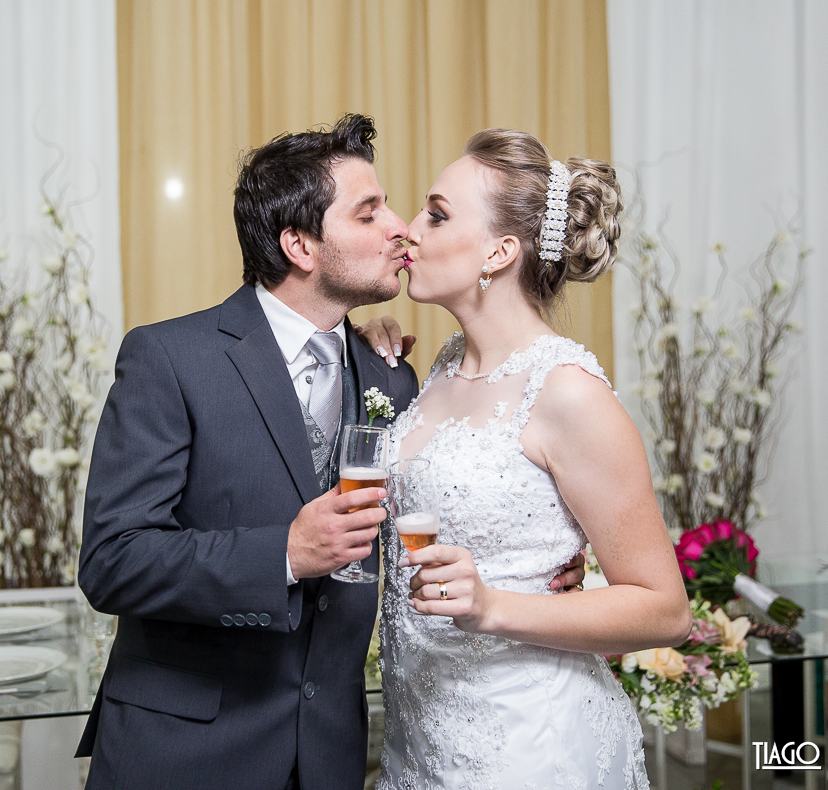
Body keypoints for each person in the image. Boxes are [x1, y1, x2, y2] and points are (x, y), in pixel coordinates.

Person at [74, 113, 591, 790]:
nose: (400, 227)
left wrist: (549, 565)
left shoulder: (393, 375)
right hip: (185, 755)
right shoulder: (171, 358)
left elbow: (456, 499)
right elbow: (112, 561)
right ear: (299, 245)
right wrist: (284, 554)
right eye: (369, 212)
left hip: (330, 755)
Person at [360, 129, 692, 790]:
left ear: (499, 251)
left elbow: (665, 610)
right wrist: (362, 352)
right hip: (422, 743)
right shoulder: (442, 366)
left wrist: (491, 606)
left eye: (437, 214)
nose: (409, 230)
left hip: (530, 746)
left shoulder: (567, 392)